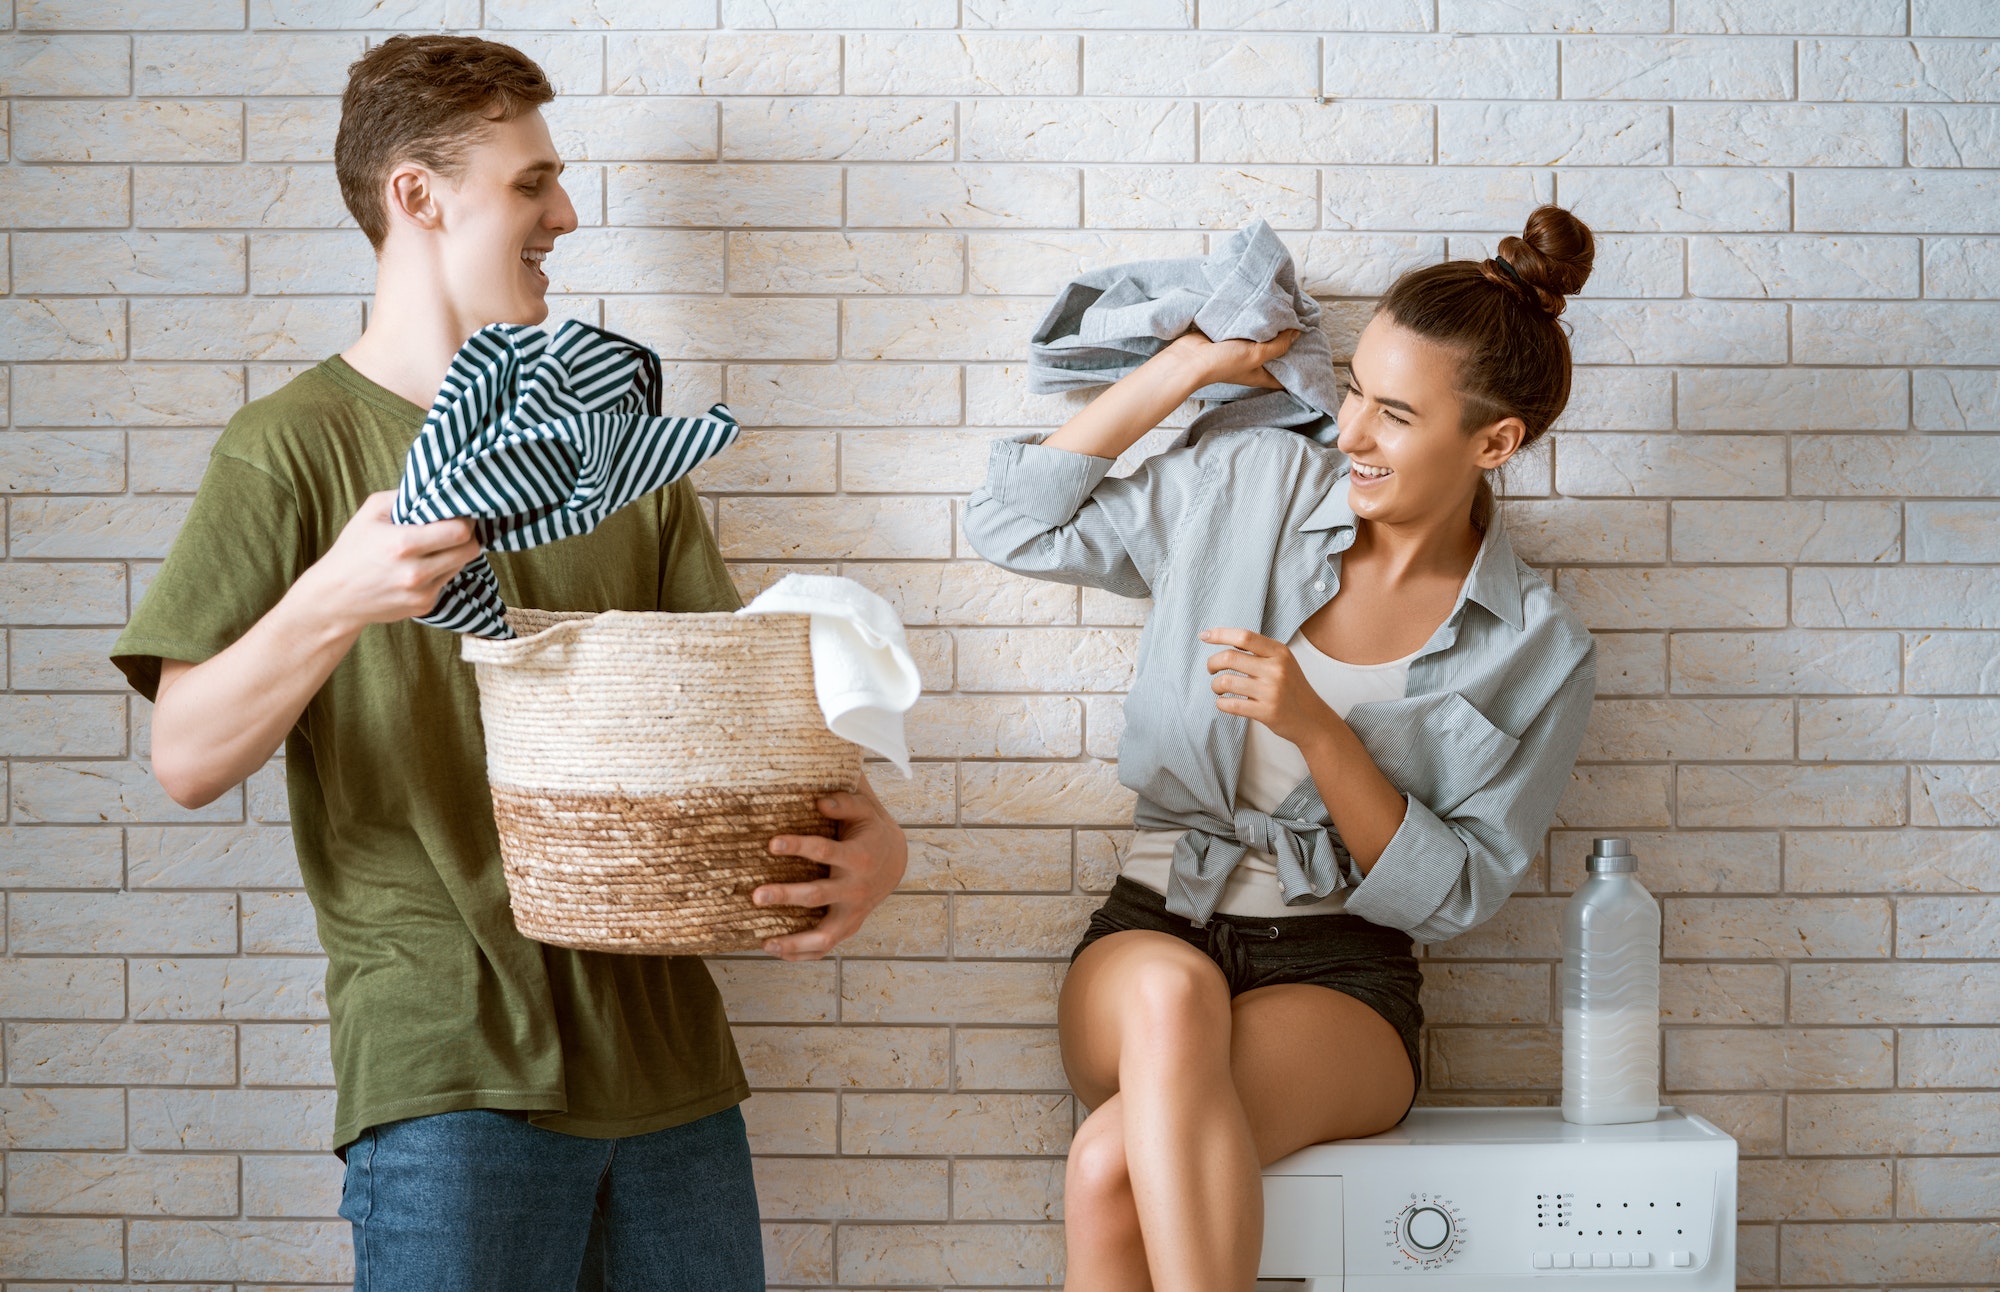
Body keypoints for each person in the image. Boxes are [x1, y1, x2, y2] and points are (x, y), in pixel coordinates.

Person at [110, 34, 907, 1292]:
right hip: (449, 1075)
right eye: (532, 181)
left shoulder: (623, 458)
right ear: (415, 195)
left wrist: (871, 840)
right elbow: (187, 755)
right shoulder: (291, 450)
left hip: (671, 1074)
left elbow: (741, 715)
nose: (567, 213)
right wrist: (337, 595)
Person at [964, 206, 1601, 1289]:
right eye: (1352, 384)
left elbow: (1449, 894)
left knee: (1112, 1160)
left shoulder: (1537, 646)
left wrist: (1312, 723)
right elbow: (1015, 523)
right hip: (1152, 930)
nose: (1348, 430)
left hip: (1340, 971)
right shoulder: (1249, 482)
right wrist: (1192, 364)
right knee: (1172, 1000)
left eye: (1393, 413)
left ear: (1493, 442)